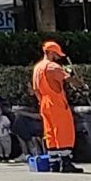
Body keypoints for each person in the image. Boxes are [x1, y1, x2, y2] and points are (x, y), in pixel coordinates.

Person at [32, 42, 77, 171]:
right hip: (56, 102)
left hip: (44, 102)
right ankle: (66, 162)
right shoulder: (52, 67)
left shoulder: (37, 67)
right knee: (64, 130)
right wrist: (81, 86)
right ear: (51, 53)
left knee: (50, 132)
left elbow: (35, 89)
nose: (58, 58)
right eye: (57, 55)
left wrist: (41, 101)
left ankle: (54, 163)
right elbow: (68, 79)